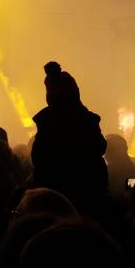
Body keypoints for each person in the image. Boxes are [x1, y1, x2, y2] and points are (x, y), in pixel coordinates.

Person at [29, 61, 108, 217]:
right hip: (88, 197)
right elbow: (100, 147)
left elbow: (38, 159)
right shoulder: (85, 121)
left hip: (53, 201)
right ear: (75, 93)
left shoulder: (47, 125)